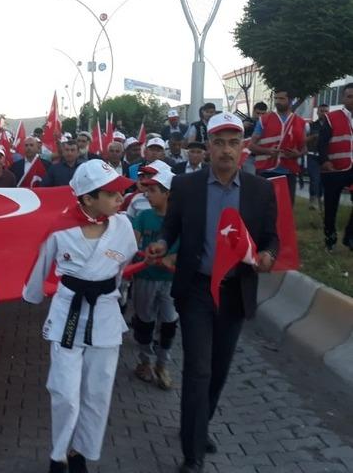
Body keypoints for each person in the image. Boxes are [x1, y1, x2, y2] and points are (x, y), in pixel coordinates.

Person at [147, 113, 278, 473]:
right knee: (198, 370)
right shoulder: (186, 186)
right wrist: (162, 244)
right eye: (219, 142)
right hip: (197, 291)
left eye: (233, 142)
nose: (226, 150)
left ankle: (197, 425)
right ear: (208, 147)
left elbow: (271, 237)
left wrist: (268, 255)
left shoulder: (260, 190)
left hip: (235, 291)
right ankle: (193, 456)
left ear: (242, 148)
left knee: (219, 370)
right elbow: (171, 227)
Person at [24, 160, 137, 473]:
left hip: (105, 314)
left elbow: (121, 269)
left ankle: (80, 452)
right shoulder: (60, 230)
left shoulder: (123, 228)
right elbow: (40, 269)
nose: (120, 198)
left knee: (97, 391)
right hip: (68, 314)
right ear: (87, 198)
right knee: (65, 392)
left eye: (120, 192)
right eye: (111, 193)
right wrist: (33, 295)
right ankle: (58, 453)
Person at [130, 169, 179, 390]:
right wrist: (140, 257)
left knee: (169, 321)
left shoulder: (180, 220)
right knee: (145, 321)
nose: (147, 195)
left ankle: (162, 364)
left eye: (153, 191)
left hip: (171, 280)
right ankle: (145, 362)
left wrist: (173, 259)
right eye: (147, 190)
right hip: (146, 277)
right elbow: (133, 245)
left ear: (167, 193)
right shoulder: (143, 217)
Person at [249, 90, 307, 203]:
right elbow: (251, 146)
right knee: (263, 207)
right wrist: (267, 151)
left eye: (281, 99)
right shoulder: (264, 120)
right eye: (276, 98)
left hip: (289, 172)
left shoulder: (300, 122)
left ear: (290, 100)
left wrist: (298, 154)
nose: (277, 101)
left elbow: (304, 148)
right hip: (265, 171)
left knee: (285, 208)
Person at [317, 83, 353, 251]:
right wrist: (325, 161)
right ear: (343, 98)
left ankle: (350, 236)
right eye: (349, 96)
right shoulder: (332, 117)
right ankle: (330, 238)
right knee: (331, 206)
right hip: (334, 169)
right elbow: (322, 142)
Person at [306, 104, 330, 210]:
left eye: (326, 111)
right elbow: (303, 140)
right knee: (314, 178)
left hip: (325, 157)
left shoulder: (331, 126)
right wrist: (313, 137)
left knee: (323, 181)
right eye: (322, 111)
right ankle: (313, 200)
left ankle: (320, 200)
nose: (324, 113)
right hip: (312, 155)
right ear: (317, 112)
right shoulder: (310, 125)